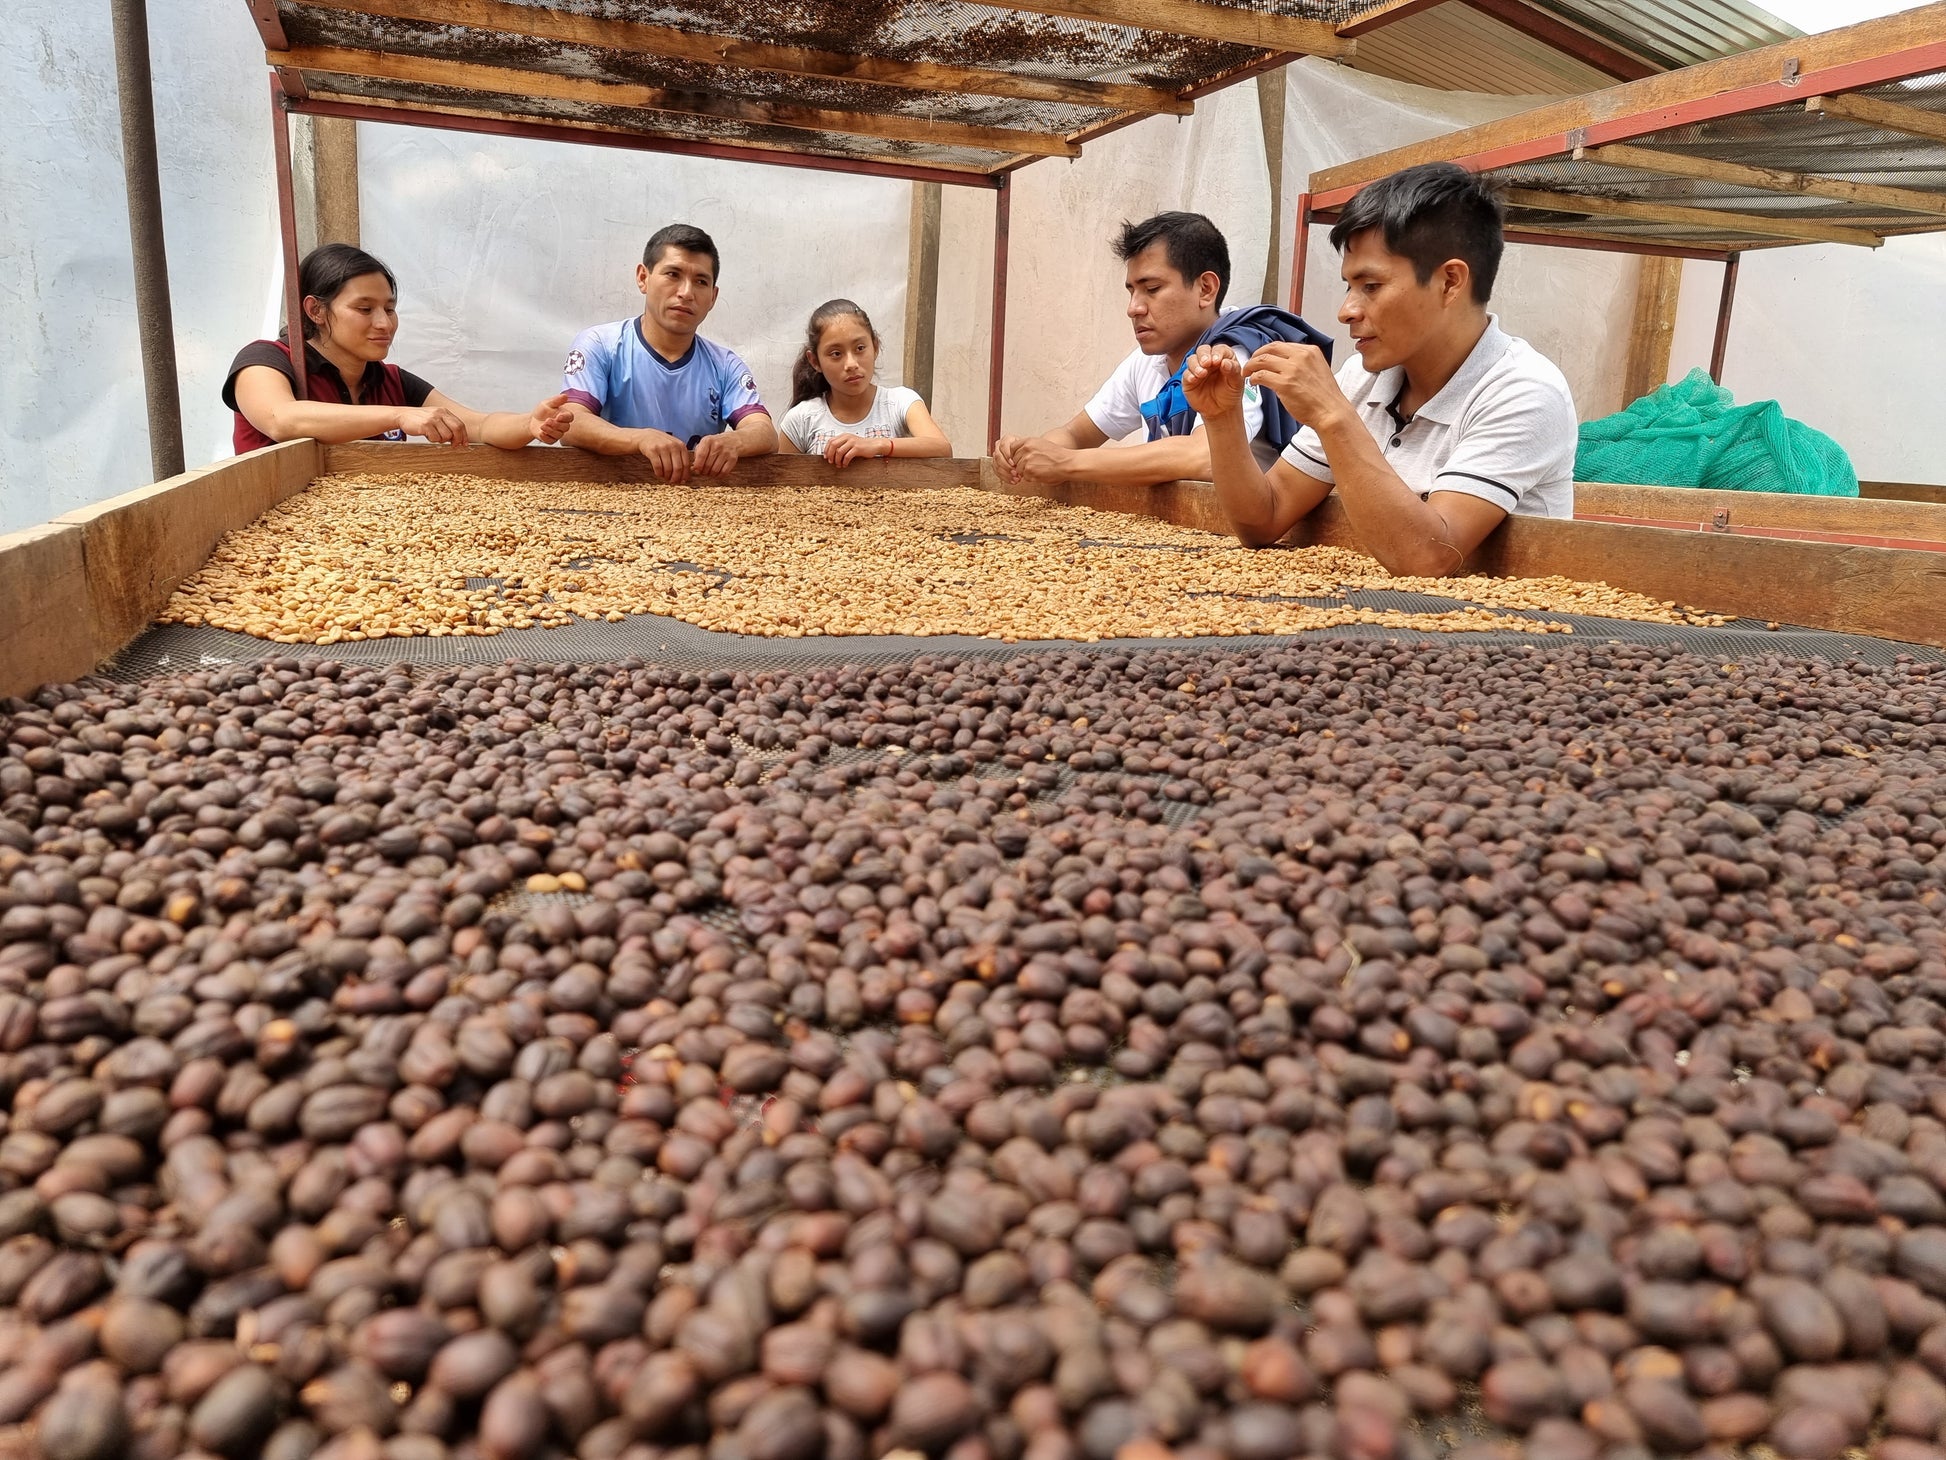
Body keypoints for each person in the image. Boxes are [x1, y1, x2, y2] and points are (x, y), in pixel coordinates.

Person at [1183, 162, 1577, 576]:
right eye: (1349, 286)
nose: (1346, 311)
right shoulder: (1363, 377)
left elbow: (1428, 558)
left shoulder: (1523, 390)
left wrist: (1333, 416)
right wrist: (1222, 419)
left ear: (1449, 282)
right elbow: (1264, 519)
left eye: (1371, 286)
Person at [991, 212, 1324, 487]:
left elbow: (1205, 455)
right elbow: (1075, 434)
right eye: (1131, 292)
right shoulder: (1145, 362)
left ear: (1205, 289)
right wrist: (1027, 453)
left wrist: (1068, 463)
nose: (1133, 308)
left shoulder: (1237, 357)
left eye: (1151, 289)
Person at [224, 244, 572, 455]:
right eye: (365, 309)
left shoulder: (390, 380)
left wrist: (529, 424)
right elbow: (281, 419)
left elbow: (479, 426)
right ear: (315, 310)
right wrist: (398, 416)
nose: (384, 323)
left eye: (389, 309)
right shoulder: (265, 360)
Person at [558, 224, 777, 482]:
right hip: (611, 493)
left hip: (696, 498)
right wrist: (639, 439)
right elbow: (571, 423)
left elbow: (765, 433)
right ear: (643, 278)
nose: (686, 293)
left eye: (701, 282)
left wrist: (735, 441)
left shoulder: (725, 364)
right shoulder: (600, 344)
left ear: (713, 297)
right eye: (673, 274)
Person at [778, 299, 951, 465]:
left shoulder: (900, 402)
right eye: (836, 354)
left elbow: (942, 448)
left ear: (875, 347)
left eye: (860, 348)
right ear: (815, 361)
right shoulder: (802, 419)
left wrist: (878, 445)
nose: (851, 364)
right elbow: (779, 477)